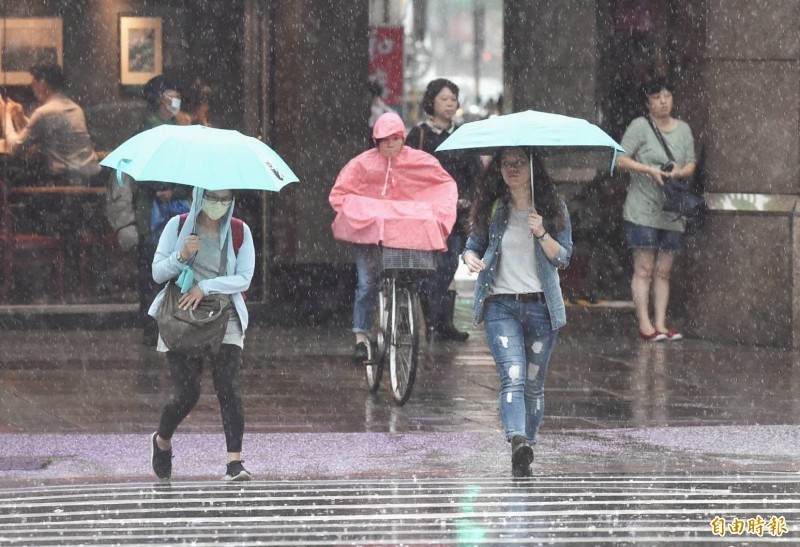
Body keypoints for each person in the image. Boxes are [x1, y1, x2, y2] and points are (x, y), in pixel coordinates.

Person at [463, 147, 572, 477]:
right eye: (505, 163)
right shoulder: (495, 208)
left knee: (533, 383)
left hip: (541, 307)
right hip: (501, 305)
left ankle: (528, 446)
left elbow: (562, 258)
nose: (512, 169)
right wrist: (469, 257)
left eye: (519, 163)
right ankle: (517, 440)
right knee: (512, 374)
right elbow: (473, 244)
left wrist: (541, 232)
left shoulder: (553, 209)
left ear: (532, 167)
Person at [329, 112, 458, 364]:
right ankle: (360, 336)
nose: (390, 144)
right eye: (384, 139)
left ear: (403, 139)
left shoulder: (420, 162)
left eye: (395, 139)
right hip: (369, 238)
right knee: (367, 283)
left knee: (408, 277)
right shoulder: (361, 164)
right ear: (376, 140)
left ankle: (400, 320)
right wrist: (362, 212)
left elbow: (443, 186)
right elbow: (340, 194)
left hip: (405, 237)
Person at [148, 186, 255, 482]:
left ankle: (234, 462)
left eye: (224, 199)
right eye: (211, 197)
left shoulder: (239, 231)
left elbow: (244, 277)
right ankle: (162, 440)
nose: (217, 204)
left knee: (228, 386)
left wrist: (206, 287)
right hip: (184, 315)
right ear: (198, 196)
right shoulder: (178, 226)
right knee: (187, 393)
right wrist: (182, 255)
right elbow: (157, 272)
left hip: (225, 314)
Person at [615, 75, 695, 342]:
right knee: (644, 268)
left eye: (667, 95)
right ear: (647, 102)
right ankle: (645, 324)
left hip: (672, 209)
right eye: (657, 96)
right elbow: (620, 159)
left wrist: (679, 172)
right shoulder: (640, 127)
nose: (663, 101)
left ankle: (661, 324)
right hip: (642, 209)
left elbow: (691, 162)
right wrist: (649, 170)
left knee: (664, 270)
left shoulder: (683, 129)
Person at [406, 78, 483, 342]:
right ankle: (434, 322)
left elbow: (476, 173)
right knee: (435, 265)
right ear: (431, 101)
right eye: (444, 98)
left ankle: (440, 322)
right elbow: (409, 172)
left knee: (449, 262)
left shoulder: (463, 136)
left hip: (457, 212)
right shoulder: (419, 135)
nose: (450, 103)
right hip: (428, 213)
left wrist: (474, 200)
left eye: (453, 98)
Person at [134, 75, 193, 345]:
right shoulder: (150, 131)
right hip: (155, 212)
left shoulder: (177, 128)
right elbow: (147, 173)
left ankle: (163, 320)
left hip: (171, 208)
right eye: (173, 93)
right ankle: (156, 321)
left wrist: (177, 191)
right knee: (156, 265)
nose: (176, 98)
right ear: (160, 97)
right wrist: (167, 188)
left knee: (166, 264)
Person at [0, 63, 100, 186]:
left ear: (42, 84)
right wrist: (21, 118)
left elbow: (15, 148)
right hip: (89, 179)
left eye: (34, 83)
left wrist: (5, 116)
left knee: (9, 180)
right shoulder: (75, 108)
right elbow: (48, 131)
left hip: (64, 182)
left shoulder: (44, 112)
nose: (32, 87)